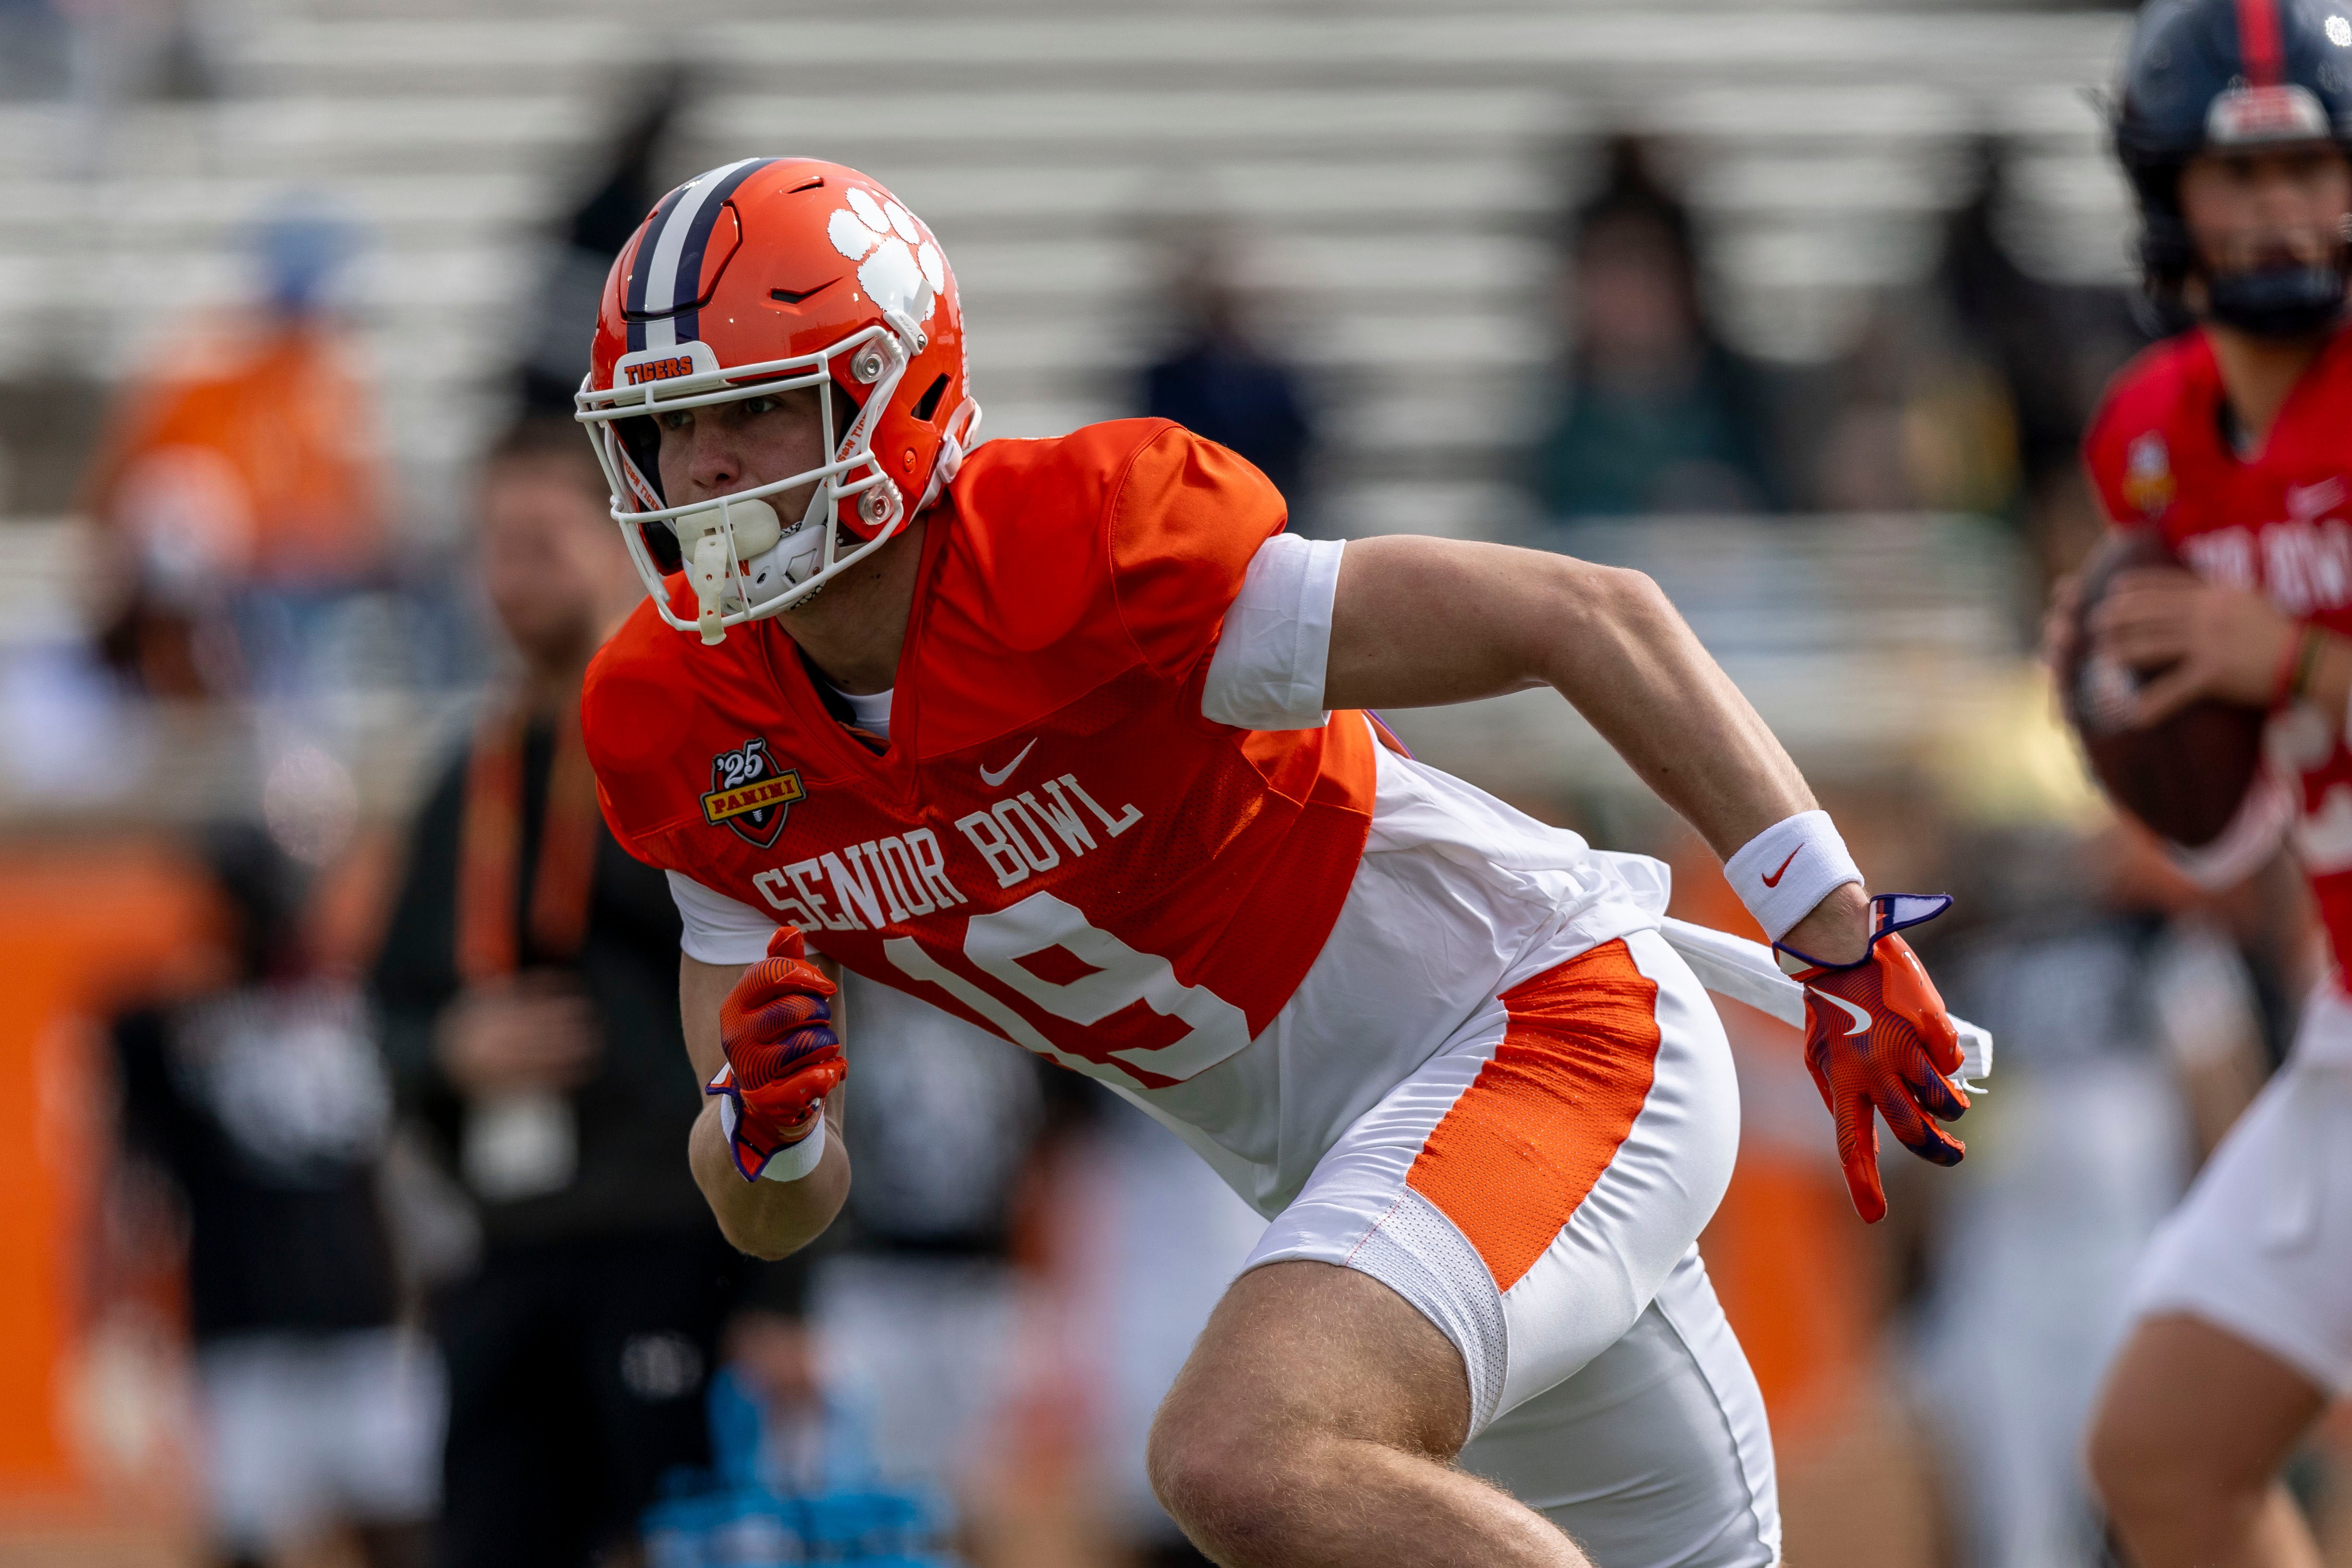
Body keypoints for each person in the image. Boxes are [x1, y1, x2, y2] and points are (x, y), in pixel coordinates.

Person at [572, 158, 1976, 1567]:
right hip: (1352, 1159)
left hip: (1542, 1028)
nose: (703, 470)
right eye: (671, 424)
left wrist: (1834, 931)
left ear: (896, 389)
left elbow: (1587, 614)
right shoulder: (676, 727)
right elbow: (768, 1212)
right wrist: (766, 1124)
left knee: (1243, 1450)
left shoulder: (1082, 553)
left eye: (752, 407)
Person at [2057, 3, 2352, 1566]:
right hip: (2339, 1021)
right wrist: (2131, 715)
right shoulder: (2146, 435)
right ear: (2166, 197)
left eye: (2308, 165)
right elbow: (2235, 813)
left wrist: (2284, 657)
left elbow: (2275, 671)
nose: (2274, 213)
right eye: (2234, 179)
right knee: (2160, 1456)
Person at [372, 420, 736, 1568]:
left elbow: (796, 1000)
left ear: (618, 539)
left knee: (677, 1538)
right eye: (492, 546)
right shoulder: (461, 781)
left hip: (675, 1235)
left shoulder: (705, 741)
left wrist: (790, 1301)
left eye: (539, 541)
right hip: (506, 1248)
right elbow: (382, 1012)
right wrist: (450, 1048)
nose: (509, 575)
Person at [109, 825, 438, 1568]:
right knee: (247, 1535)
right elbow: (127, 1189)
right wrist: (116, 1319)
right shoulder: (165, 1032)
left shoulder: (362, 1010)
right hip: (246, 1330)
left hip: (361, 1319)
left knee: (404, 1530)